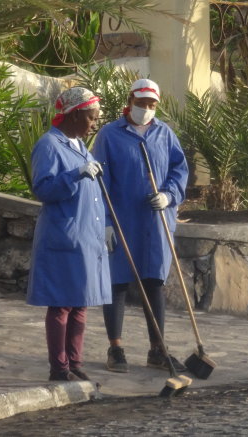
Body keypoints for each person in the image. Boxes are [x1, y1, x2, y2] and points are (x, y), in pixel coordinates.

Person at [93, 78, 189, 373]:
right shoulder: (110, 135)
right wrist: (105, 222)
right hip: (121, 220)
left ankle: (157, 349)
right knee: (117, 282)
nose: (146, 109)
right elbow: (100, 182)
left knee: (153, 282)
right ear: (130, 101)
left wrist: (169, 195)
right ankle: (116, 348)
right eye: (141, 103)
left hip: (155, 221)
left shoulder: (165, 133)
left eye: (151, 104)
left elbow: (179, 169)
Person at [27, 87, 112, 381]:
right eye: (91, 117)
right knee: (61, 304)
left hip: (86, 238)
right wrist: (75, 174)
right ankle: (59, 367)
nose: (94, 124)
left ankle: (76, 362)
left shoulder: (80, 145)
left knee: (80, 303)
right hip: (64, 237)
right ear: (75, 115)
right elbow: (43, 189)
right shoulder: (50, 145)